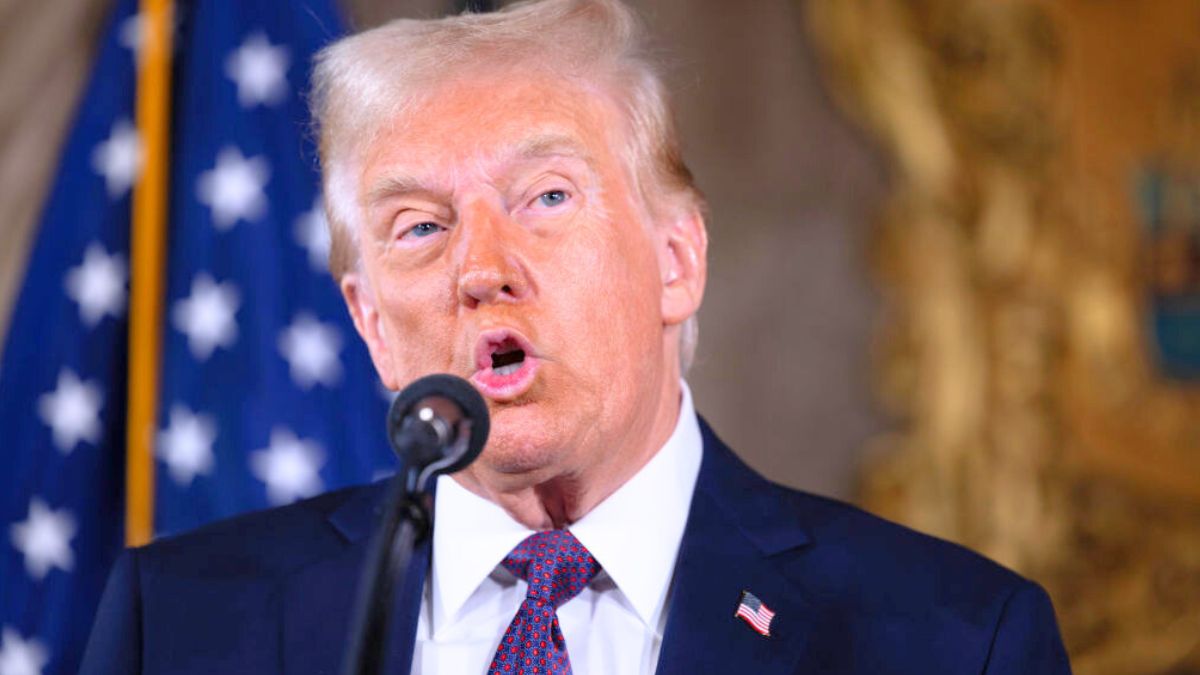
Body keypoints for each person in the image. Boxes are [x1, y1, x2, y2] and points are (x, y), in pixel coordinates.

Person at [80, 0, 1072, 673]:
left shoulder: (953, 642)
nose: (482, 268)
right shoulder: (177, 626)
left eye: (547, 196)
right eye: (420, 226)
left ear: (677, 262)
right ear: (371, 325)